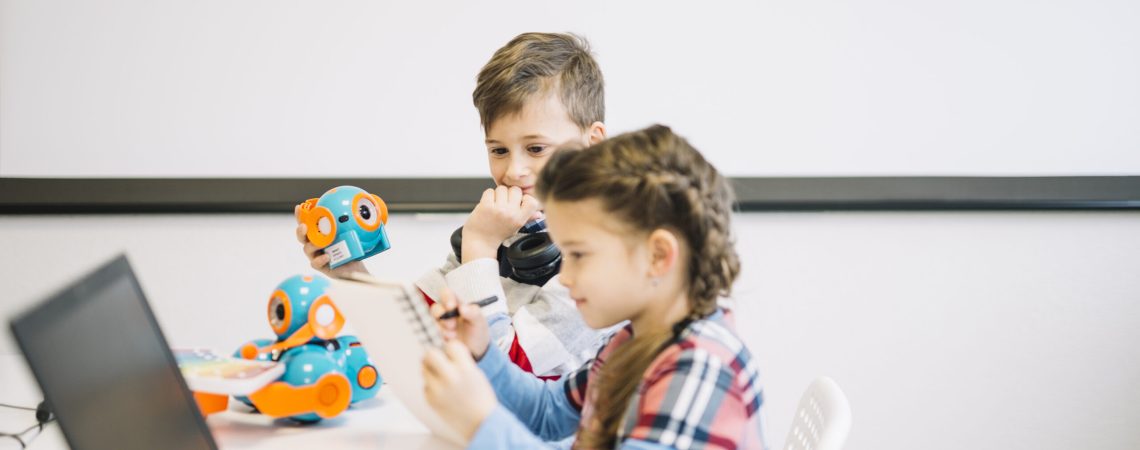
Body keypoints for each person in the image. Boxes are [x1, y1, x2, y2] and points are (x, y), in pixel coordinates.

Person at [423, 125, 768, 449]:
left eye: (579, 254)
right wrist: (483, 351)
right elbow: (547, 413)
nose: (566, 277)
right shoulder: (636, 341)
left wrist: (482, 423)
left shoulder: (701, 368)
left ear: (658, 256)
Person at [296, 32, 609, 378]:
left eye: (536, 149)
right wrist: (347, 270)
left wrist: (480, 248)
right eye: (498, 150)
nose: (513, 171)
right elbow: (418, 332)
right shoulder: (503, 228)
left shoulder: (601, 259)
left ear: (591, 144)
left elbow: (506, 373)